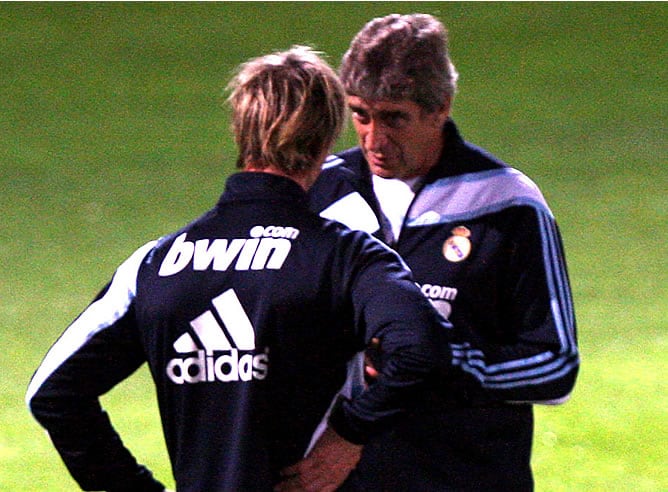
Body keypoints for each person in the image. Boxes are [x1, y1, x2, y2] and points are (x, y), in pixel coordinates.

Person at [25, 46, 452, 492]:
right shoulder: (346, 256)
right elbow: (422, 349)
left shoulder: (154, 265)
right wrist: (348, 434)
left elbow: (53, 393)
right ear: (327, 140)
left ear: (239, 131)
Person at [307, 14, 580, 491]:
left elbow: (555, 363)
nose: (373, 139)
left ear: (441, 108)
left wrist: (446, 362)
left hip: (461, 477)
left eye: (395, 117)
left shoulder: (504, 203)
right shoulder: (321, 192)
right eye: (360, 114)